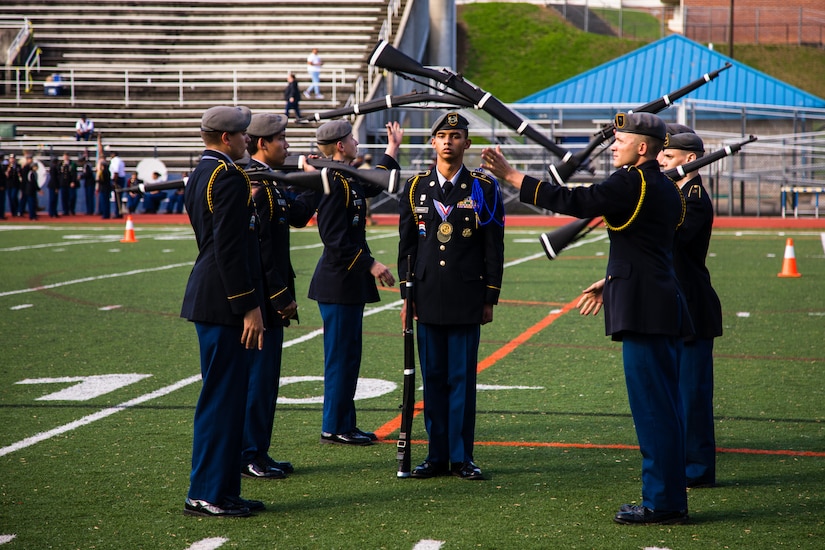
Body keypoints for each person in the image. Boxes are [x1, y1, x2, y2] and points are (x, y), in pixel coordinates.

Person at [481, 112, 692, 525]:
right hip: (659, 303)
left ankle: (663, 503)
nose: (614, 145)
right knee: (663, 408)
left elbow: (575, 201)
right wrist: (610, 280)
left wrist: (512, 176)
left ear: (643, 148)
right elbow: (650, 248)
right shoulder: (663, 185)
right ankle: (666, 497)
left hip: (645, 311)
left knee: (653, 411)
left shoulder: (632, 180)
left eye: (622, 140)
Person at [398, 113, 505, 481]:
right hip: (426, 296)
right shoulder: (415, 188)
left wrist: (490, 295)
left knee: (461, 380)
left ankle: (462, 457)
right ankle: (435, 455)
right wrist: (406, 297)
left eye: (456, 136)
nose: (448, 142)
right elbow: (407, 248)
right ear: (432, 142)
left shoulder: (483, 188)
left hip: (466, 295)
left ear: (467, 144)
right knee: (434, 378)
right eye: (441, 135)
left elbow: (494, 246)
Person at [180, 105, 267, 518]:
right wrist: (249, 306)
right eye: (244, 134)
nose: (248, 140)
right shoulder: (228, 176)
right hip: (224, 302)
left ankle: (223, 490)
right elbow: (230, 251)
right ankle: (207, 493)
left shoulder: (203, 172)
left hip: (214, 296)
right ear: (228, 138)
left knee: (229, 400)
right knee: (221, 399)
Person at [308, 119, 402, 446]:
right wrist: (372, 264)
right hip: (338, 283)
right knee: (340, 358)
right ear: (339, 146)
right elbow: (335, 240)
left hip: (346, 283)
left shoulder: (345, 177)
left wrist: (392, 149)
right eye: (351, 138)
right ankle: (334, 426)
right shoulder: (333, 181)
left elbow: (374, 185)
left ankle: (344, 423)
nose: (356, 142)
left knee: (349, 357)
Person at [241, 113, 321, 478]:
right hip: (261, 298)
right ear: (263, 144)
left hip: (270, 297)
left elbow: (299, 215)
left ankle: (259, 450)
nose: (286, 145)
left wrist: (318, 179)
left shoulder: (269, 183)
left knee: (267, 379)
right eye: (281, 140)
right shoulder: (253, 184)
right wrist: (278, 295)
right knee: (258, 380)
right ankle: (248, 454)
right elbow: (259, 250)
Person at [658, 124, 723, 489]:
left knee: (693, 394)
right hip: (675, 304)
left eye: (667, 156)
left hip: (693, 306)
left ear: (690, 159)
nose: (660, 161)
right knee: (675, 391)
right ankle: (681, 459)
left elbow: (672, 242)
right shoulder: (675, 194)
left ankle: (697, 468)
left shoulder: (693, 199)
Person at [109, 151, 126, 218]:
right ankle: (118, 211)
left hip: (118, 179)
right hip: (120, 178)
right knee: (118, 196)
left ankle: (118, 213)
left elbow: (116, 171)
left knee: (117, 197)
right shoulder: (120, 161)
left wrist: (114, 181)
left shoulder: (115, 161)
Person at [5, 153, 22, 217]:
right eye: (11, 158)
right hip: (9, 184)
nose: (12, 160)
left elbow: (20, 175)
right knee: (10, 198)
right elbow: (6, 175)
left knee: (13, 196)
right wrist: (8, 170)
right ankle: (13, 211)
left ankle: (17, 210)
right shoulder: (6, 166)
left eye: (13, 158)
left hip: (15, 184)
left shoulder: (17, 166)